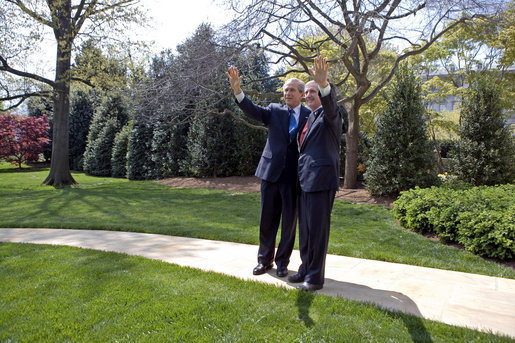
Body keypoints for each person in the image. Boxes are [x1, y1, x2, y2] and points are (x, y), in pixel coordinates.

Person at [226, 66, 311, 277]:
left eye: (292, 90)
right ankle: (264, 261)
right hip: (271, 174)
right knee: (267, 220)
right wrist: (238, 91)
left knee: (290, 223)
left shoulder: (310, 115)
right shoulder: (274, 110)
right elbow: (252, 109)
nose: (288, 93)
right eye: (285, 89)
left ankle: (283, 262)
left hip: (294, 178)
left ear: (301, 94)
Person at [288, 56, 345, 291]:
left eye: (314, 92)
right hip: (305, 182)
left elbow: (331, 107)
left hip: (322, 182)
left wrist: (323, 85)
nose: (310, 95)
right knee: (306, 230)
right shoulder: (309, 117)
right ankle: (304, 267)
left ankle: (315, 277)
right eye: (308, 92)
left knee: (318, 232)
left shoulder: (331, 115)